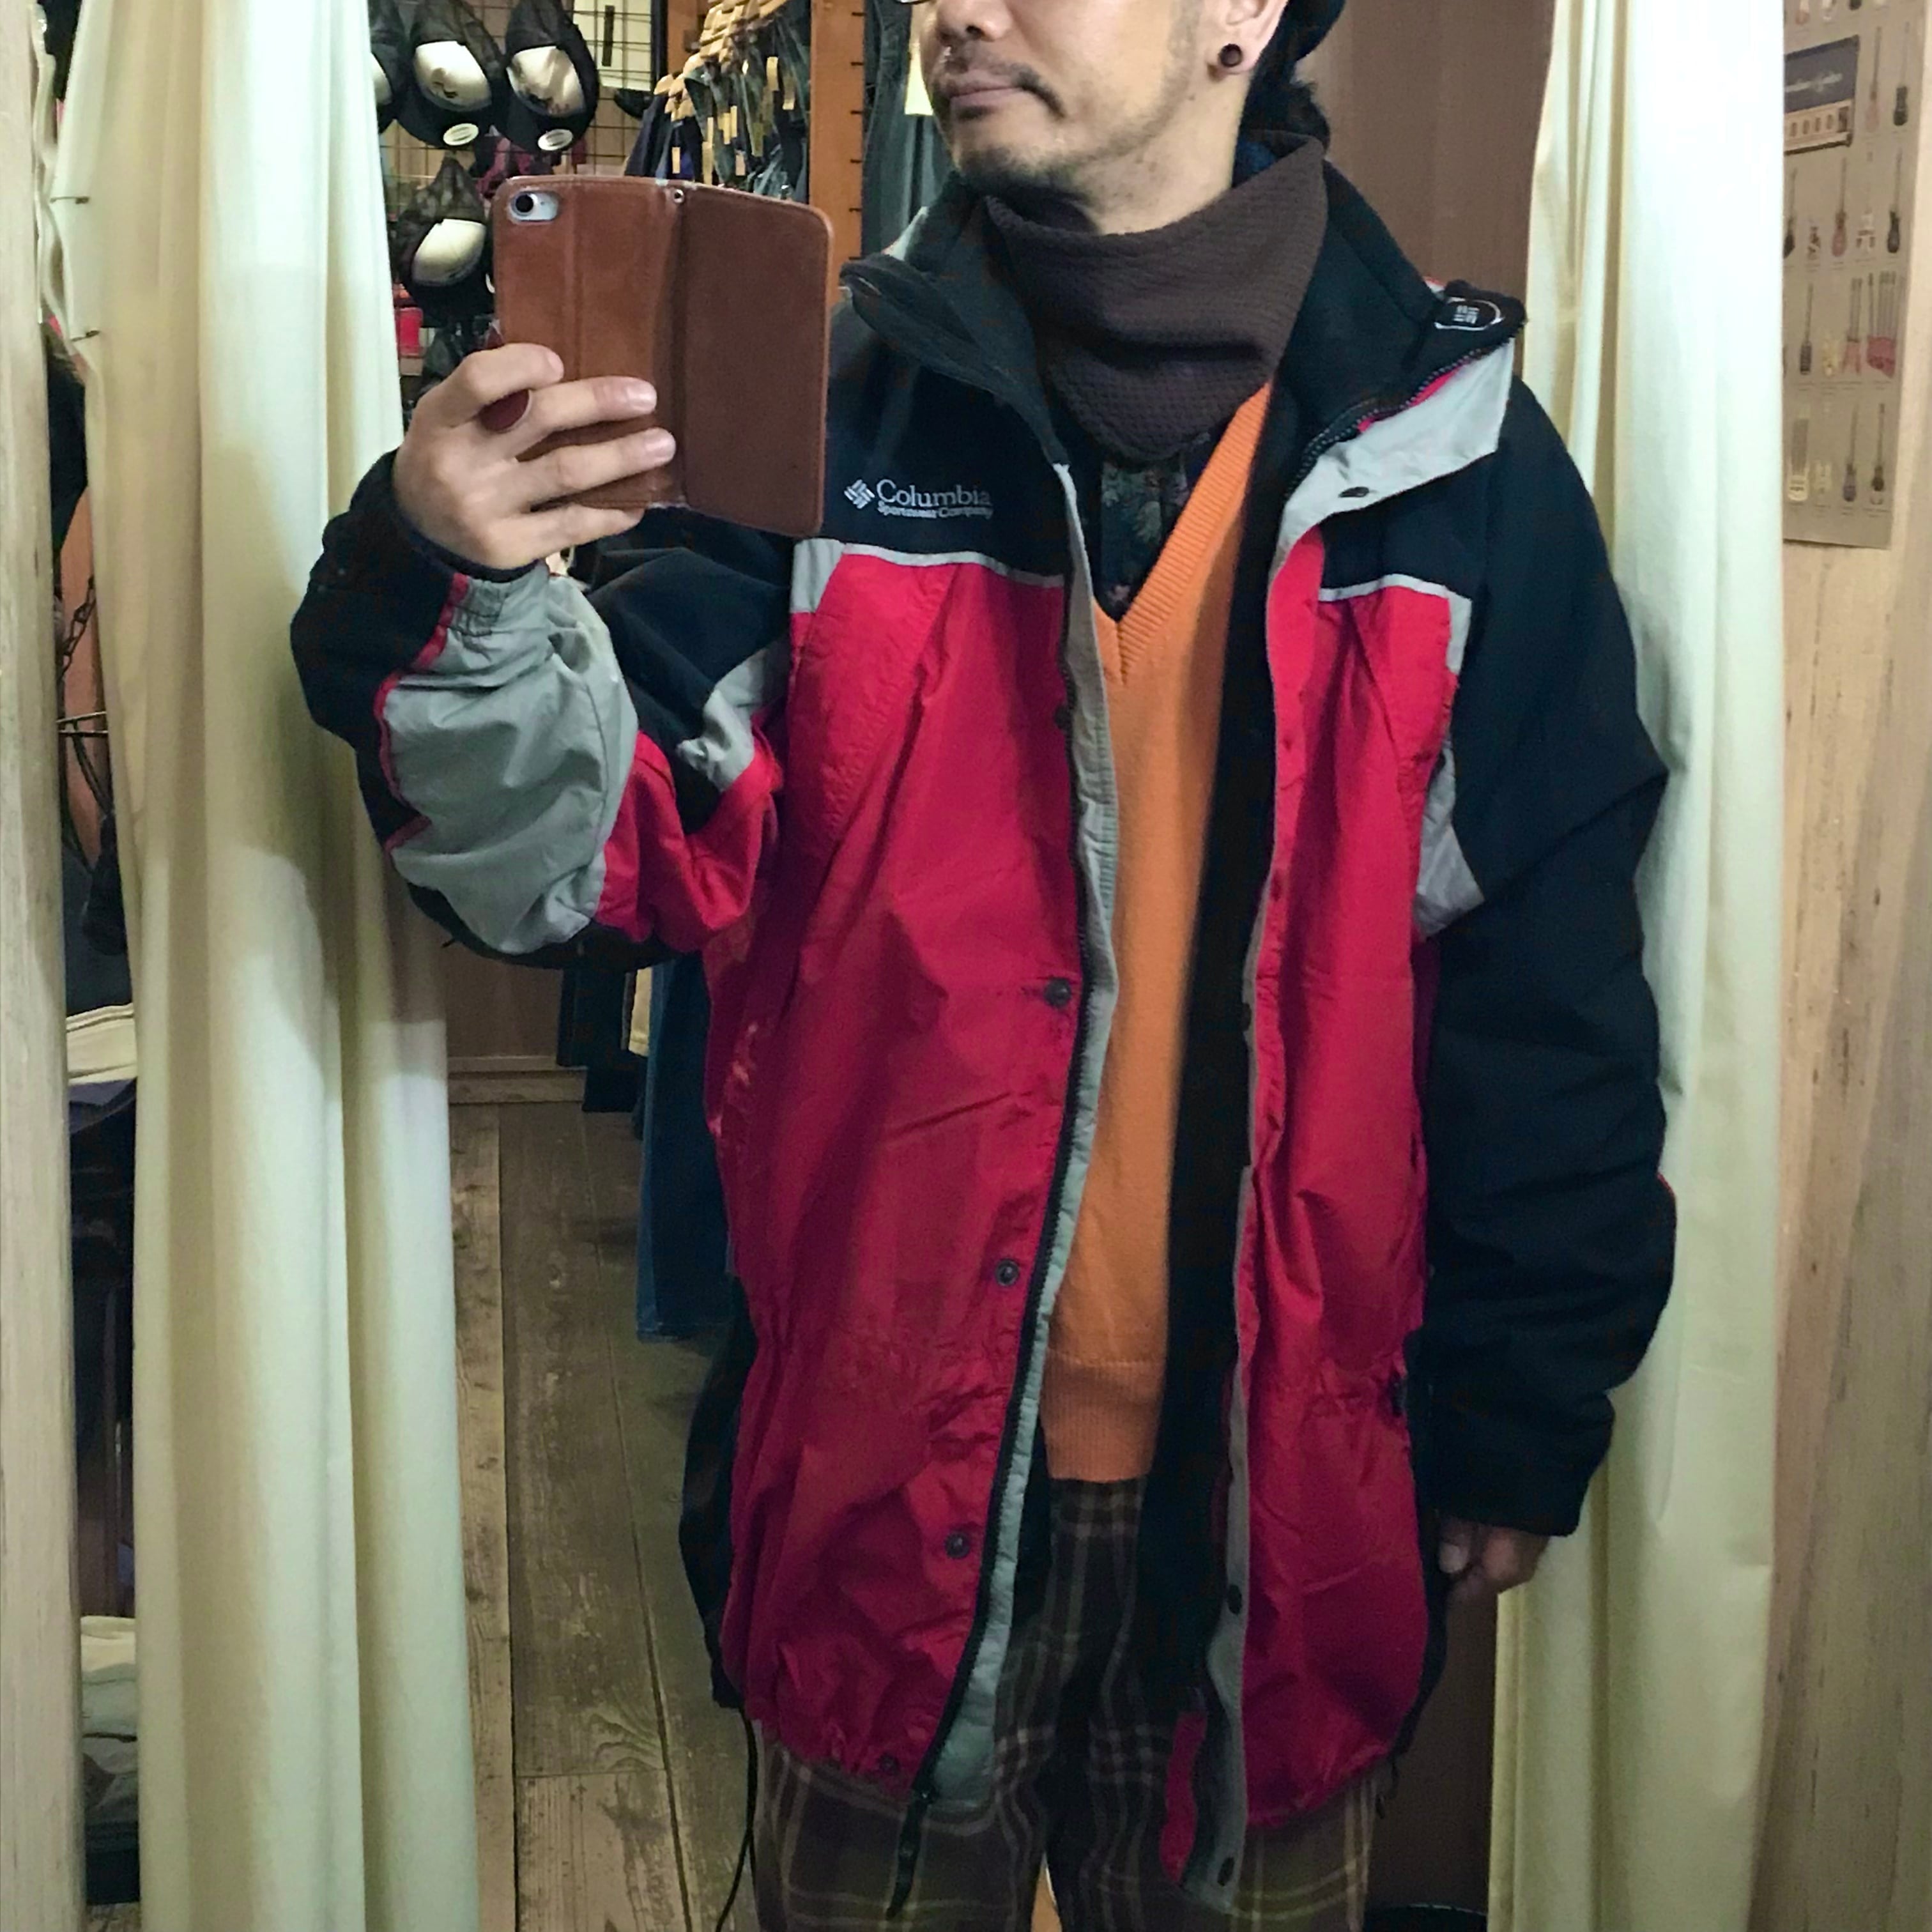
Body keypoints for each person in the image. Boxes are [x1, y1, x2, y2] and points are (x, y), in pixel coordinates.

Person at [293, 0, 1676, 1923]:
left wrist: (1526, 1401)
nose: (954, 9)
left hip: (1287, 1516)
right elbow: (589, 865)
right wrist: (455, 582)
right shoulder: (827, 417)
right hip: (884, 1491)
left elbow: (1552, 994)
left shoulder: (1456, 465)